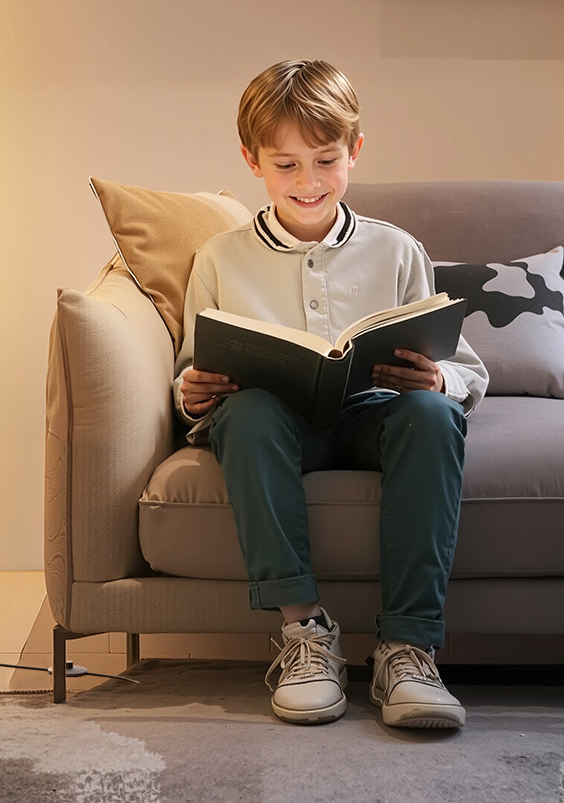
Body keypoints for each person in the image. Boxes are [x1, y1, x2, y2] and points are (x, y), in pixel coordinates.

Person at [174, 59, 487, 730]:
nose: (308, 182)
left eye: (325, 160)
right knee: (248, 412)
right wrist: (194, 392)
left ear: (355, 151)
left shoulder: (398, 249)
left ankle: (408, 649)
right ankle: (305, 634)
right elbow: (190, 374)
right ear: (251, 160)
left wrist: (439, 379)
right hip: (276, 422)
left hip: (375, 416)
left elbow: (464, 366)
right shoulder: (219, 258)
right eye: (285, 165)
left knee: (432, 414)